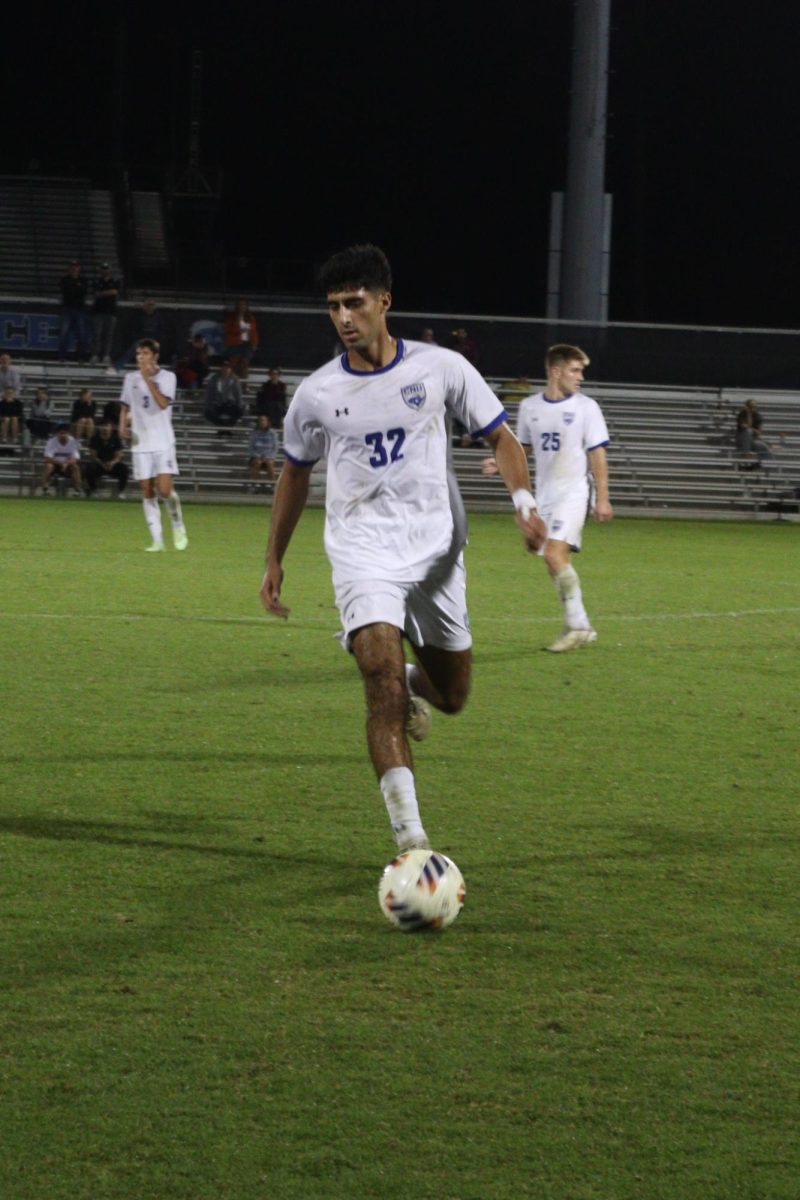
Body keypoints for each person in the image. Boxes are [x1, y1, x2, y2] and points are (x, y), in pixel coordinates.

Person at [259, 244, 544, 854]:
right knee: (380, 676)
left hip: (437, 553)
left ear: (384, 302)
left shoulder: (441, 369)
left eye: (354, 303)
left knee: (453, 695)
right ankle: (411, 840)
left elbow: (502, 438)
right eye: (333, 306)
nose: (343, 317)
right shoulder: (315, 393)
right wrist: (273, 558)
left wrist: (525, 504)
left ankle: (414, 682)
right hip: (362, 553)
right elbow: (296, 473)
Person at [504, 343, 612, 653]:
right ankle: (580, 624)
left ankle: (578, 626)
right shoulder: (529, 408)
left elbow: (598, 454)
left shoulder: (586, 408)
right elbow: (521, 449)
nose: (580, 377)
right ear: (556, 371)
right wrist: (499, 461)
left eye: (581, 371)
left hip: (574, 492)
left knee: (553, 555)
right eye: (575, 370)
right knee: (554, 562)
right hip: (545, 496)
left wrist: (601, 498)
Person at [118, 339, 188, 552]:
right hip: (141, 442)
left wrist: (148, 379)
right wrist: (122, 425)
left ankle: (177, 524)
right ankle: (157, 540)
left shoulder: (168, 377)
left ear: (155, 356)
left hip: (163, 441)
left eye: (145, 353)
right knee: (147, 491)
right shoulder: (130, 378)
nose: (141, 357)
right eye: (139, 353)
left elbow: (163, 403)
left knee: (165, 491)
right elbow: (125, 405)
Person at [85, 420, 129, 498]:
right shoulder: (94, 439)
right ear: (99, 428)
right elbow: (93, 456)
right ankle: (93, 490)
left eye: (107, 426)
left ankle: (121, 492)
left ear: (111, 428)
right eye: (103, 426)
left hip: (112, 465)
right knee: (89, 468)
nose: (105, 428)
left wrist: (112, 463)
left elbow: (118, 456)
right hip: (99, 464)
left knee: (124, 469)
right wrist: (102, 464)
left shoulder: (116, 439)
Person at [58, 260, 91, 361]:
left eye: (76, 266)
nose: (74, 268)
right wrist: (76, 288)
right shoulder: (64, 279)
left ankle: (80, 356)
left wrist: (74, 289)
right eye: (72, 266)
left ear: (79, 268)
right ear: (69, 268)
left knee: (81, 334)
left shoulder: (83, 280)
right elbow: (66, 291)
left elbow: (83, 291)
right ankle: (62, 356)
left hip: (80, 309)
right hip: (67, 308)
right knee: (64, 333)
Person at [203, 360, 245, 432]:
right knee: (208, 413)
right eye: (224, 367)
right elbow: (209, 394)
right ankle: (222, 427)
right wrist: (208, 406)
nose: (226, 369)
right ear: (221, 368)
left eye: (228, 368)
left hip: (230, 404)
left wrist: (239, 406)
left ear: (230, 369)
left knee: (239, 412)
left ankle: (226, 428)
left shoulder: (235, 379)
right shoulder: (214, 379)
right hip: (218, 404)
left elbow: (238, 394)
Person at [91, 262, 120, 364]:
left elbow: (115, 292)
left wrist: (102, 293)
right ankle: (95, 355)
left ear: (110, 270)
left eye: (107, 269)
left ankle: (106, 355)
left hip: (111, 312)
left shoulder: (115, 281)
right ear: (100, 270)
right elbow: (96, 294)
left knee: (108, 335)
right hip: (98, 311)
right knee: (97, 335)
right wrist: (108, 292)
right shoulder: (96, 281)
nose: (105, 271)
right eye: (103, 269)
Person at [223, 299, 259, 380]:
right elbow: (228, 329)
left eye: (244, 305)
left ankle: (244, 384)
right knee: (233, 363)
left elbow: (253, 331)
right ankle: (230, 382)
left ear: (246, 306)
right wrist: (238, 323)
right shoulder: (232, 316)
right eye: (240, 304)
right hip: (234, 343)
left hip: (247, 343)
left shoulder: (250, 317)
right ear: (237, 306)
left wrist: (254, 343)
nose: (242, 306)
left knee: (245, 363)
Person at [41, 425, 82, 495]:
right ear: (57, 434)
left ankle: (77, 490)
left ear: (68, 433)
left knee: (75, 467)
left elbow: (76, 458)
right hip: (55, 465)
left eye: (65, 433)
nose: (63, 435)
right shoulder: (51, 442)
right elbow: (47, 458)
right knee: (48, 466)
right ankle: (45, 489)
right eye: (61, 433)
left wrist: (66, 463)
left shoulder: (72, 441)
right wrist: (61, 464)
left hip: (68, 465)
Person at [736, 398, 773, 468]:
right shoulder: (742, 414)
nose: (752, 409)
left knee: (764, 447)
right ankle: (746, 454)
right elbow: (743, 427)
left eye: (753, 407)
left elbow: (759, 432)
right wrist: (748, 414)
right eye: (750, 407)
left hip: (753, 441)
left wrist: (750, 429)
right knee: (747, 432)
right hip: (741, 440)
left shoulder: (758, 416)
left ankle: (768, 467)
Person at [247, 414, 277, 490]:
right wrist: (258, 456)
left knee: (269, 463)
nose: (262, 422)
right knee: (257, 463)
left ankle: (273, 486)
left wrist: (268, 457)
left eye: (264, 420)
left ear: (267, 422)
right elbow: (251, 448)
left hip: (269, 457)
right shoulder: (254, 433)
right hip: (256, 457)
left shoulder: (272, 433)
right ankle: (253, 486)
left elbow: (275, 447)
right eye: (260, 420)